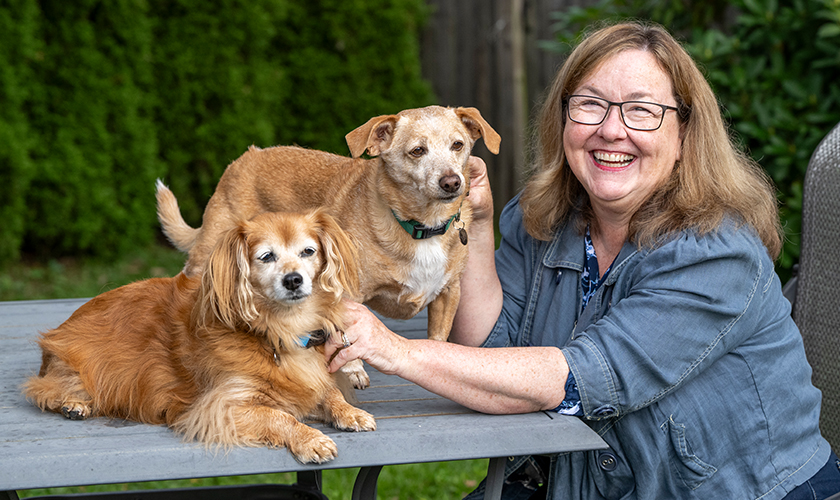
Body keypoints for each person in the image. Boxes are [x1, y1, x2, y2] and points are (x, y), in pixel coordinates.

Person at [325, 21, 840, 499]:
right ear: (564, 119)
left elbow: (579, 381)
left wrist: (394, 349)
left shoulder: (716, 252)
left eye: (641, 110)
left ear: (684, 134)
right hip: (570, 480)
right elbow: (488, 348)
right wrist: (477, 229)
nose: (611, 130)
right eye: (590, 105)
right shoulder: (543, 218)